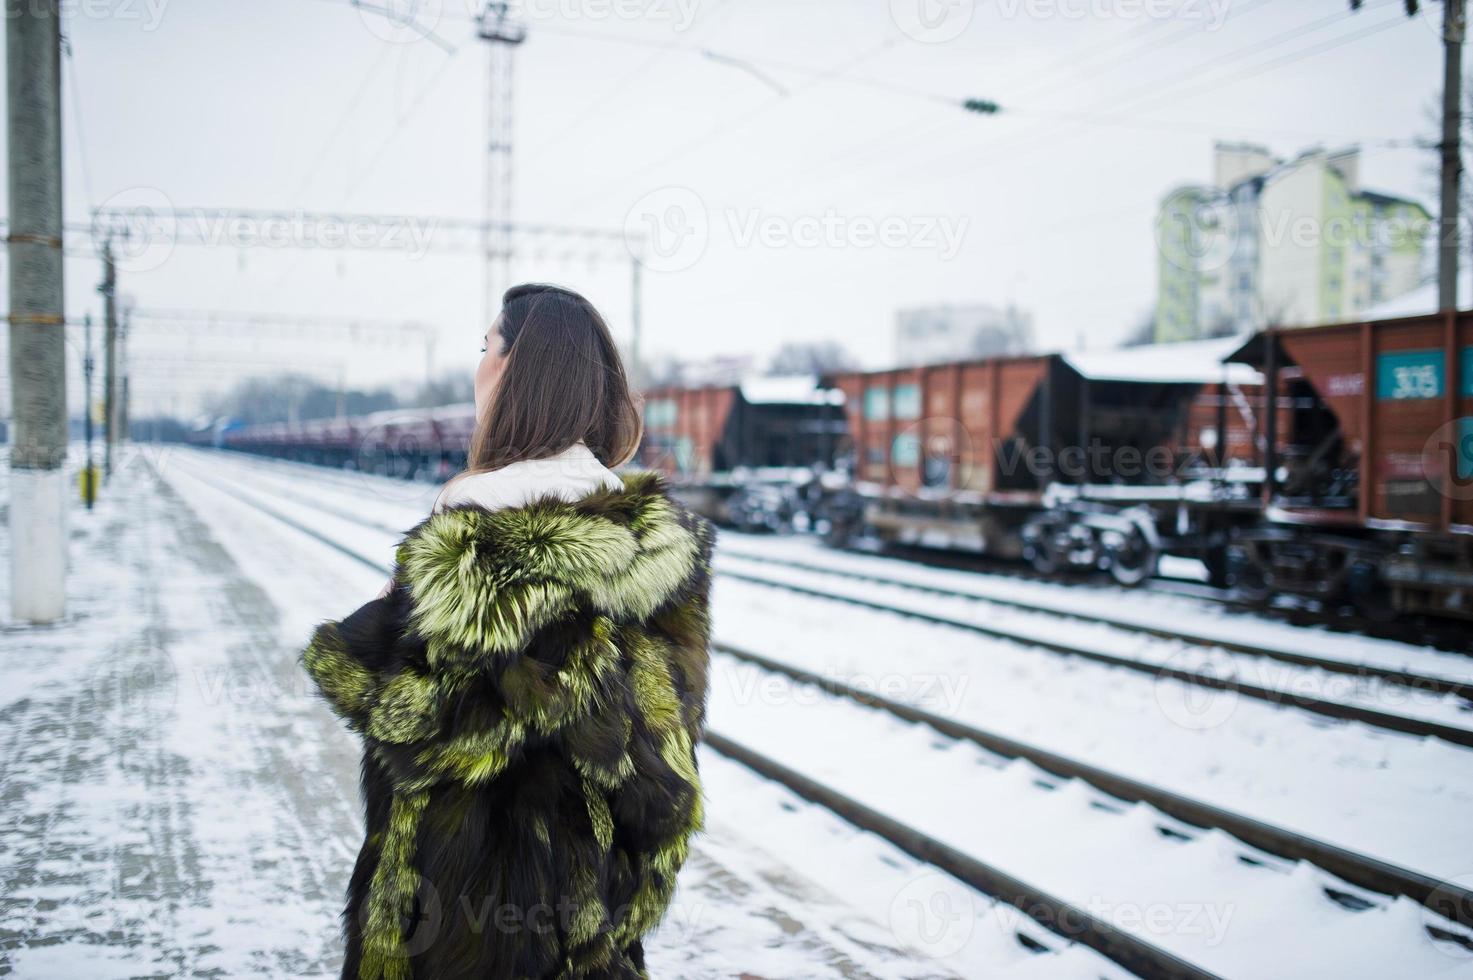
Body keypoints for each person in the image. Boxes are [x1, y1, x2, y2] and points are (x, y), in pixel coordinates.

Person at [302, 284, 715, 980]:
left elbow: (419, 729)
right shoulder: (650, 550)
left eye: (485, 347)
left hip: (462, 918)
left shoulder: (474, 536)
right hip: (589, 925)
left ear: (514, 369)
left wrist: (375, 630)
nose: (478, 366)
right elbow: (665, 778)